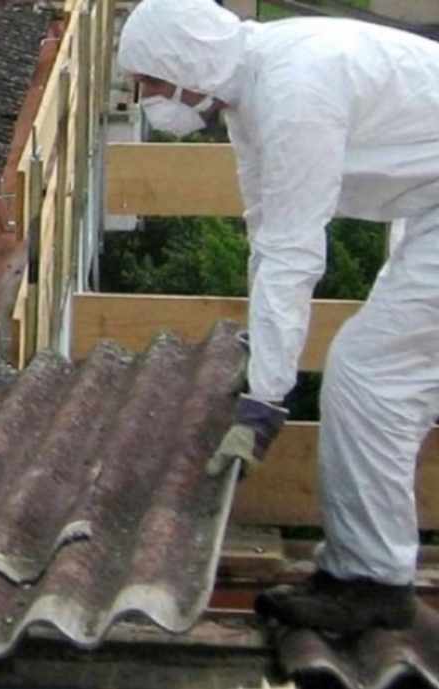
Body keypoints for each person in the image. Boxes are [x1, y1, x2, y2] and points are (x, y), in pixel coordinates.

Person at [118, 0, 439, 634]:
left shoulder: (294, 89)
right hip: (429, 207)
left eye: (149, 81)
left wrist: (266, 399)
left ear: (186, 63)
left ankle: (374, 584)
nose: (145, 98)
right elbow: (265, 228)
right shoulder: (254, 90)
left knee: (368, 375)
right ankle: (358, 569)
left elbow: (294, 251)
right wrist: (264, 364)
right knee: (389, 376)